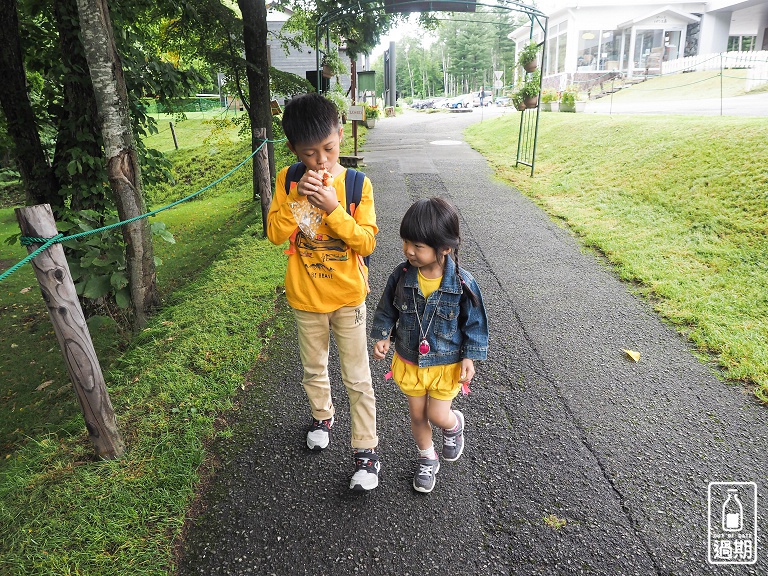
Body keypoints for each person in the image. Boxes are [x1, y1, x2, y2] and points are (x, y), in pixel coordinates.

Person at [266, 93, 380, 491]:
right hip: (305, 298)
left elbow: (365, 243)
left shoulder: (356, 184)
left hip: (348, 298)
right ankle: (322, 416)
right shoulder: (287, 179)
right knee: (314, 368)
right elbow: (275, 234)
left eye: (329, 149)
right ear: (295, 150)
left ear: (339, 139)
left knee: (357, 377)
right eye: (310, 153)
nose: (320, 161)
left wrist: (334, 208)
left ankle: (365, 452)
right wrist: (297, 197)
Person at [370, 197, 488, 493]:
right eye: (406, 242)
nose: (408, 250)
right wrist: (383, 335)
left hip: (445, 364)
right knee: (418, 415)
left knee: (437, 415)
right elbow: (387, 309)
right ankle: (427, 456)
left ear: (444, 248)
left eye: (418, 246)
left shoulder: (462, 283)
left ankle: (452, 425)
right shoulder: (401, 276)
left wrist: (469, 357)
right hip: (410, 359)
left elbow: (474, 322)